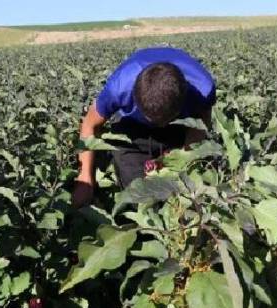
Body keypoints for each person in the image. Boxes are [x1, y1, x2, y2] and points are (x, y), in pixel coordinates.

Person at [73, 47, 215, 207]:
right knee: (139, 196)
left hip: (179, 127)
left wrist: (182, 156)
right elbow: (90, 124)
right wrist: (85, 177)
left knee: (182, 191)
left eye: (164, 120)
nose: (159, 126)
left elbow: (200, 127)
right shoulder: (120, 87)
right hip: (131, 128)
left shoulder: (203, 88)